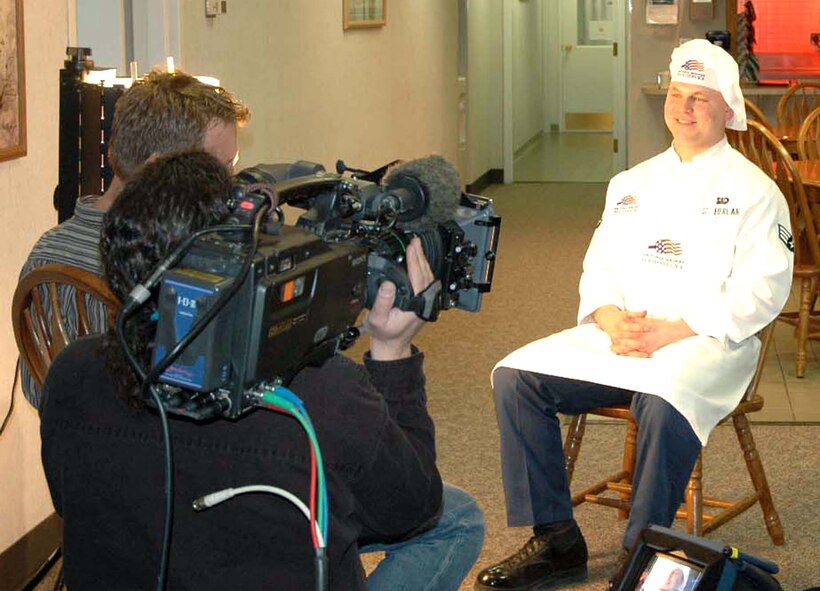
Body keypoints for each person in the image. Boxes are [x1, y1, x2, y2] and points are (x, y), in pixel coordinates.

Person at [40, 151, 485, 590]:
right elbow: (414, 507)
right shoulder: (328, 394)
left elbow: (70, 501)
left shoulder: (71, 372)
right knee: (458, 517)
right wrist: (393, 350)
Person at [474, 39, 794, 590]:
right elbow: (598, 267)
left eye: (700, 98)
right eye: (677, 94)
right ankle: (556, 538)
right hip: (621, 336)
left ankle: (640, 552)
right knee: (515, 377)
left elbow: (764, 291)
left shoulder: (755, 192)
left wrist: (674, 330)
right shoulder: (630, 185)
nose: (685, 107)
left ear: (727, 110)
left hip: (704, 342)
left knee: (664, 399)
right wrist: (607, 317)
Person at [19, 69, 249, 409]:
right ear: (157, 171)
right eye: (220, 167)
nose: (231, 183)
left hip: (76, 447)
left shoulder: (45, 254)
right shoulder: (175, 267)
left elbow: (37, 390)